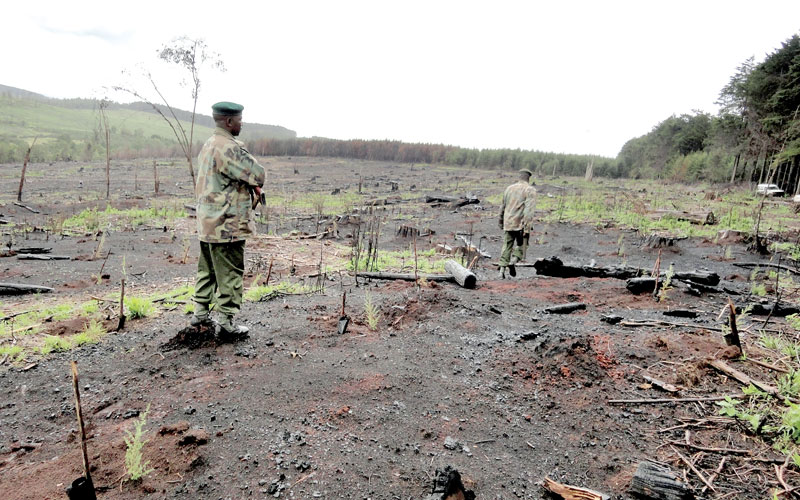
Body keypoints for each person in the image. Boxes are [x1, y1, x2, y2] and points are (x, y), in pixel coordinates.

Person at [190, 101, 266, 337]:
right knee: (231, 271)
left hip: (208, 223)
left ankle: (200, 313)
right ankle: (225, 322)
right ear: (229, 121)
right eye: (239, 120)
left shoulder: (209, 144)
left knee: (208, 270)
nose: (241, 124)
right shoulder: (228, 147)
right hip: (227, 224)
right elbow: (258, 173)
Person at [498, 168, 536, 279]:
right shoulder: (530, 190)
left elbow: (502, 207)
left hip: (508, 222)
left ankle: (501, 271)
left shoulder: (509, 189)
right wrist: (527, 228)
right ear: (528, 178)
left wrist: (500, 221)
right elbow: (529, 211)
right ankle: (513, 262)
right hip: (521, 224)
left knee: (506, 246)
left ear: (519, 177)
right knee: (522, 246)